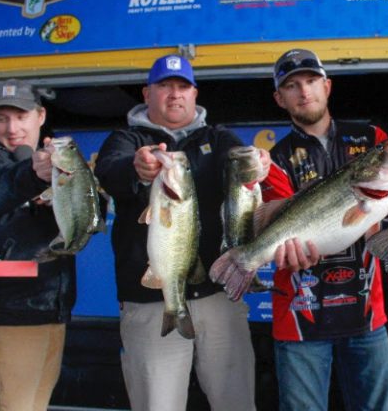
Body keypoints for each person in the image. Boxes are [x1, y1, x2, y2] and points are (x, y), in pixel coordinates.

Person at [94, 54, 263, 411]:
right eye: (164, 86)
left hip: (218, 295)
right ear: (146, 93)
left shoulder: (218, 138)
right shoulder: (126, 138)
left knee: (236, 401)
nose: (174, 95)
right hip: (151, 300)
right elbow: (109, 172)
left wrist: (255, 164)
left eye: (182, 86)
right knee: (158, 404)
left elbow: (241, 164)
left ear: (195, 93)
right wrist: (137, 169)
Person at [260, 48, 388, 411]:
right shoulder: (274, 160)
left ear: (327, 86)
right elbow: (278, 228)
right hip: (300, 319)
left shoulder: (372, 141)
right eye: (292, 85)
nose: (305, 92)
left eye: (311, 81)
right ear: (279, 97)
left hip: (367, 314)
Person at [0, 78, 75, 410]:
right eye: (1, 118)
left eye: (20, 116)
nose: (11, 128)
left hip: (49, 314)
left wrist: (76, 190)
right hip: (2, 319)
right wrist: (34, 175)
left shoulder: (55, 160)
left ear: (40, 116)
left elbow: (87, 218)